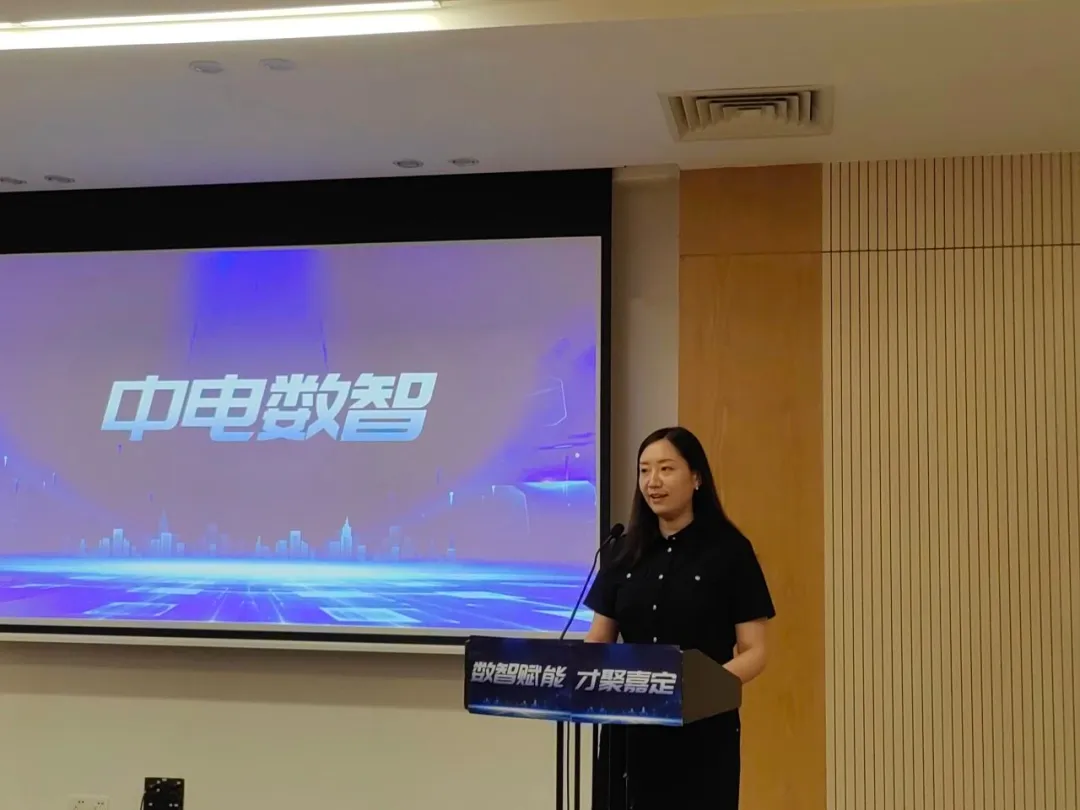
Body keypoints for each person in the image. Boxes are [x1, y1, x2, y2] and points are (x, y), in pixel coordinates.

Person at [584, 426, 775, 810]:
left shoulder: (730, 551)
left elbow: (755, 650)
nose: (652, 481)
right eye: (644, 470)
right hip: (630, 728)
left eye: (666, 469)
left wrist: (698, 689)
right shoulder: (623, 551)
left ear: (697, 477)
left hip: (702, 728)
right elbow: (599, 639)